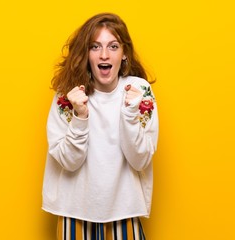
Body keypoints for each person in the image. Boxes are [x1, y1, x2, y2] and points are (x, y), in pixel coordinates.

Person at [42, 13, 159, 240]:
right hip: (73, 212)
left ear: (124, 53)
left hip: (125, 211)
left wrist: (130, 114)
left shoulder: (139, 92)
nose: (104, 54)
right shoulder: (68, 94)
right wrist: (80, 115)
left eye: (113, 46)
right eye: (95, 47)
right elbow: (69, 161)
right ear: (86, 54)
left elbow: (140, 159)